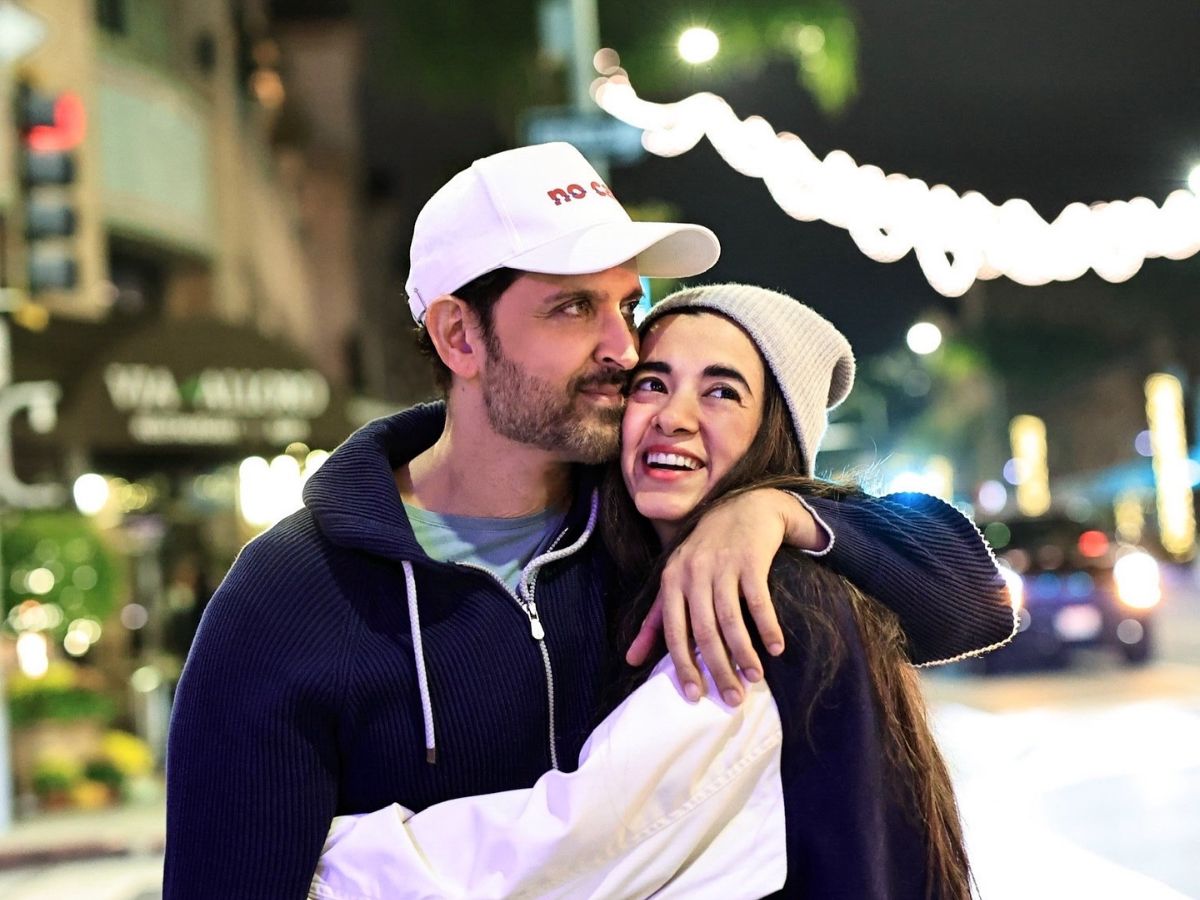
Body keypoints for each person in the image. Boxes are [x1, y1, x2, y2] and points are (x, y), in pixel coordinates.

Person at [164, 143, 1013, 898]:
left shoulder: (656, 528)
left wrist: (775, 509)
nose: (624, 348)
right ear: (460, 336)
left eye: (627, 306)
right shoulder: (288, 598)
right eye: (574, 308)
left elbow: (970, 599)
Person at [310, 284, 977, 899]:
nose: (673, 417)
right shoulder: (619, 570)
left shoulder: (761, 602)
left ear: (772, 431)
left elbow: (565, 852)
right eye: (652, 384)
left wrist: (319, 856)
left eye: (722, 393)